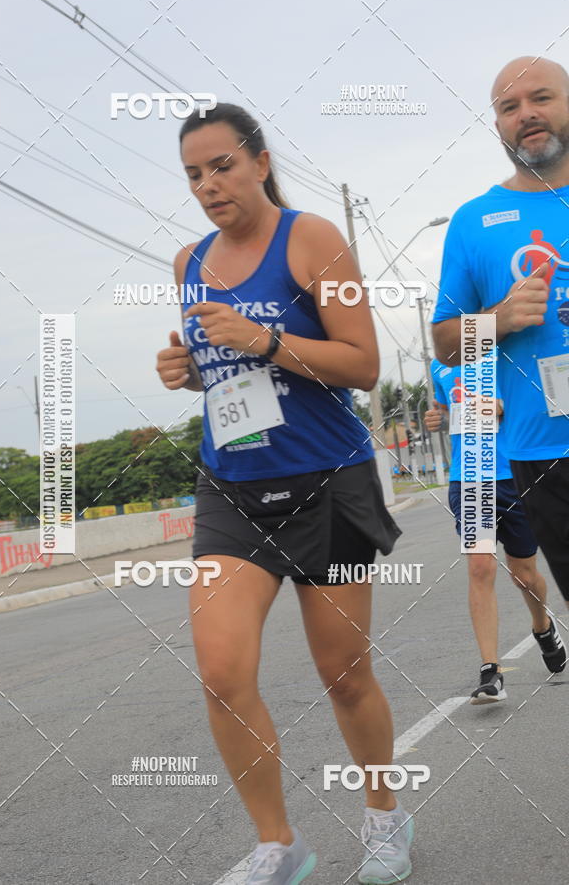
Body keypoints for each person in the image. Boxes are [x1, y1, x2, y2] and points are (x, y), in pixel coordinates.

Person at [155, 103, 412, 884]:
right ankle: (279, 843)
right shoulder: (187, 262)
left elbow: (362, 363)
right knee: (222, 670)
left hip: (326, 480)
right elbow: (222, 369)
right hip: (232, 488)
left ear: (260, 163)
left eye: (223, 166)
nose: (209, 185)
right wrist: (190, 371)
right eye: (194, 174)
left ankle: (383, 816)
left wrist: (263, 337)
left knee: (344, 674)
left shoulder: (310, 239)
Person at [432, 56, 569, 616]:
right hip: (540, 455)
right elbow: (444, 344)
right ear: (497, 126)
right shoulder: (473, 220)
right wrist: (499, 319)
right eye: (509, 107)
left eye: (541, 98)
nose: (526, 114)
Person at [425, 358, 566, 703]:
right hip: (469, 476)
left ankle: (542, 626)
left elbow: (545, 399)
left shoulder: (510, 353)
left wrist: (501, 406)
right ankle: (491, 671)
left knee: (524, 575)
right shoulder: (440, 364)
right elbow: (446, 411)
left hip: (517, 472)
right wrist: (438, 419)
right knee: (480, 565)